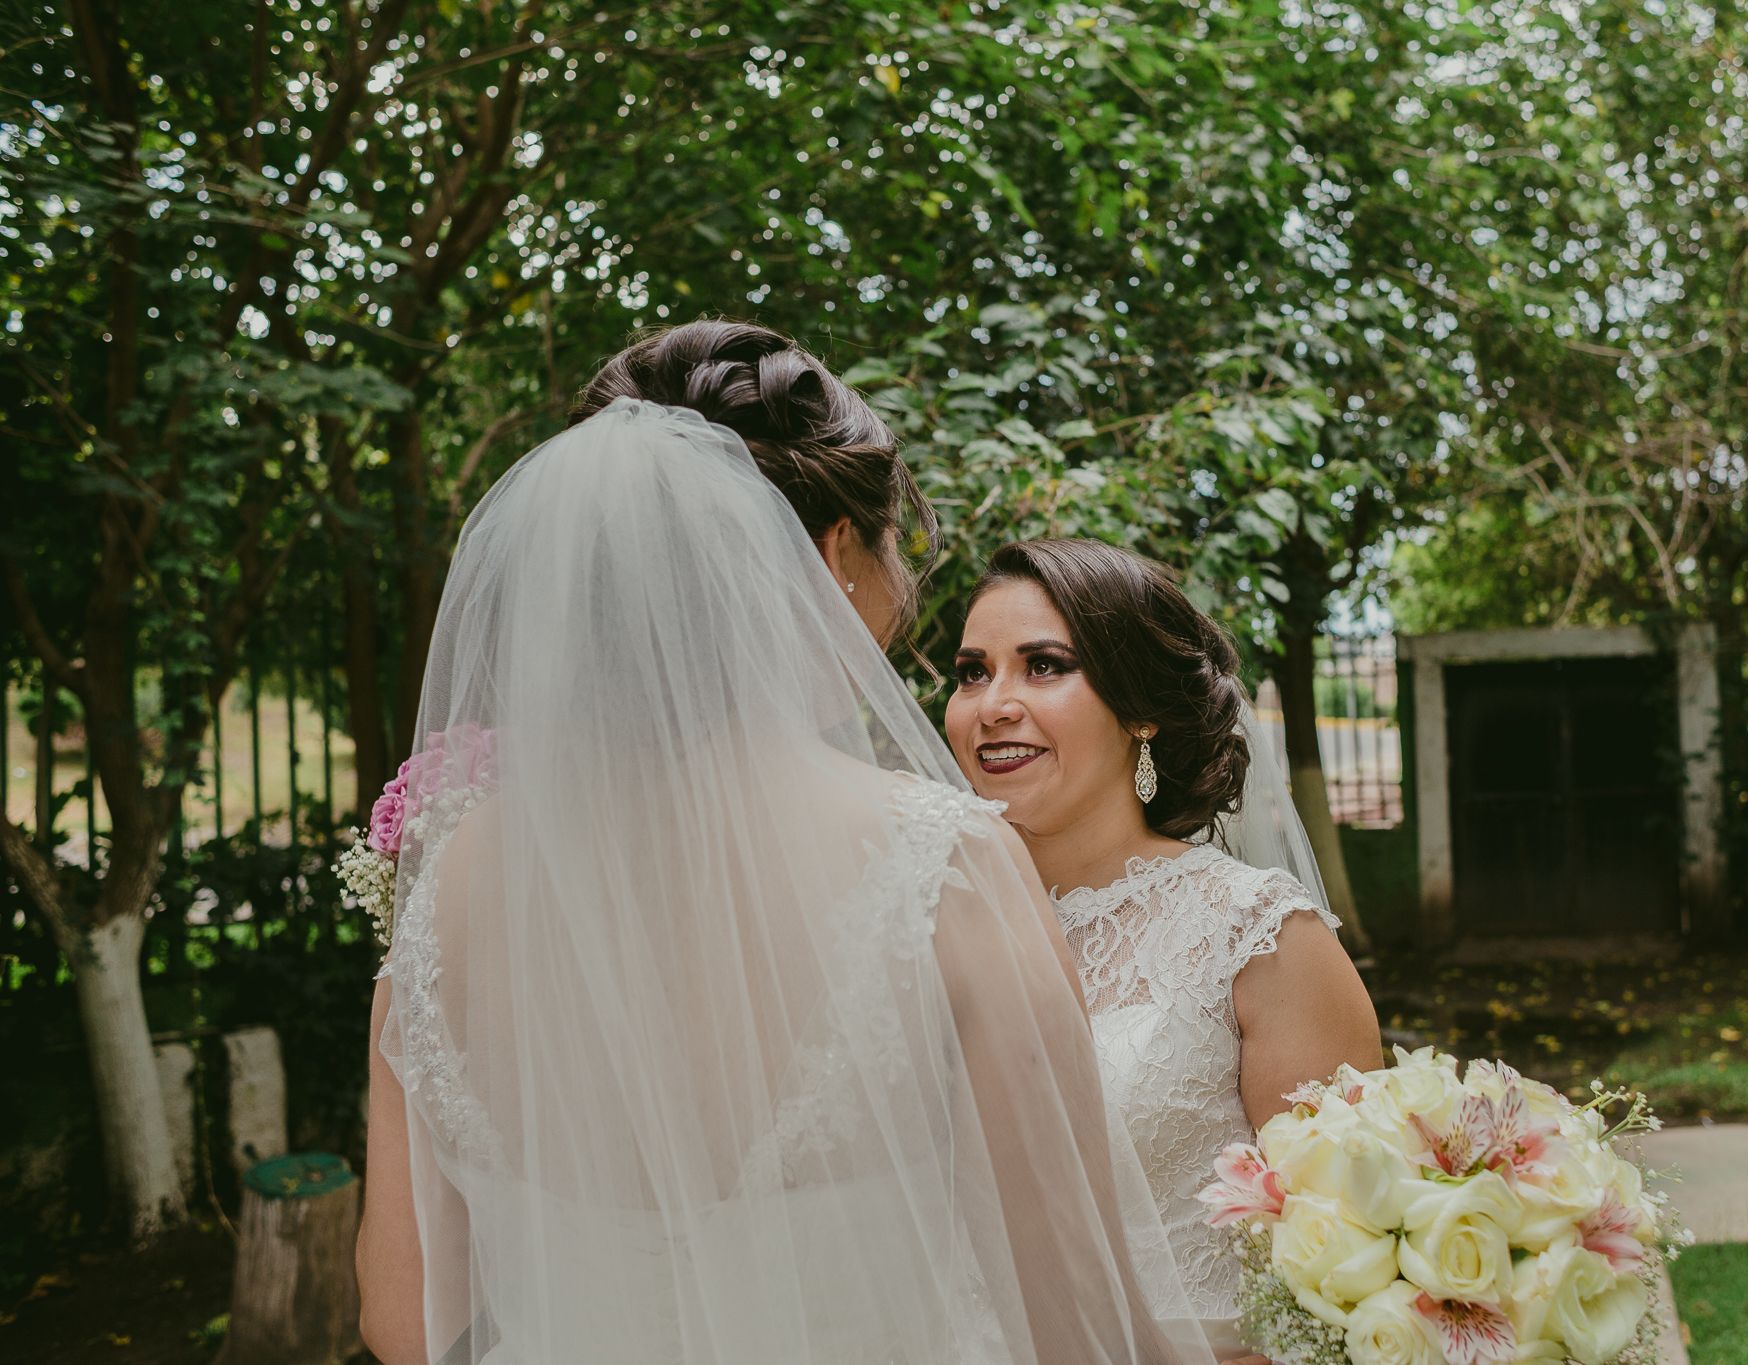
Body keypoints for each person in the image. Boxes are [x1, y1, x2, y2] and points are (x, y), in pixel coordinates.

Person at [354, 322, 1211, 1365]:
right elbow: (1078, 1319)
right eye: (893, 549)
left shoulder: (445, 888)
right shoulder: (941, 864)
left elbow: (402, 1322)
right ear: (834, 550)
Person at [946, 538, 1383, 1357]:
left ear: (1140, 709)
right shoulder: (926, 926)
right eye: (973, 672)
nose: (993, 704)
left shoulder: (1255, 932)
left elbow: (1349, 1271)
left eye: (1044, 666)